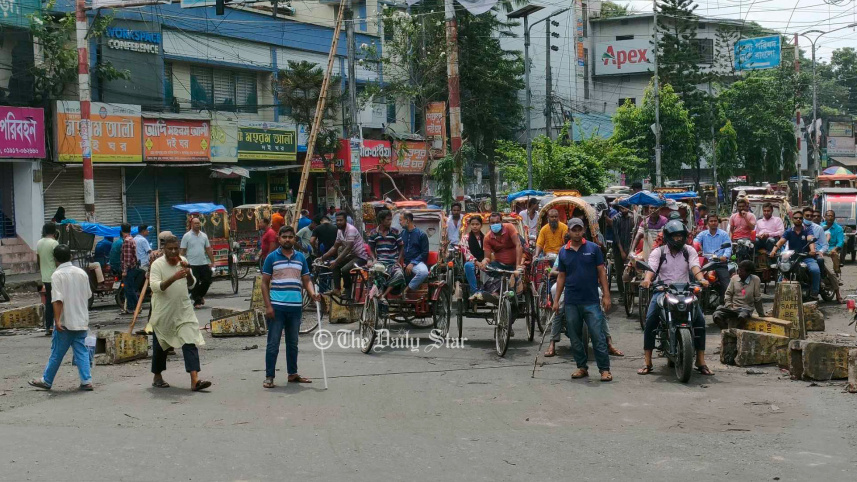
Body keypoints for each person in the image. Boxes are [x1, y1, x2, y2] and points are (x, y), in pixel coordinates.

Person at [638, 220, 713, 376]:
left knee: (699, 320)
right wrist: (647, 280)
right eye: (675, 236)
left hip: (685, 291)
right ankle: (647, 361)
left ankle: (700, 360)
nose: (678, 239)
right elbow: (651, 269)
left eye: (681, 236)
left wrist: (701, 279)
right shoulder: (658, 252)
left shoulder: (689, 251)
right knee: (651, 320)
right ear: (668, 236)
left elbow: (695, 266)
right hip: (662, 290)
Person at [552, 218, 612, 382]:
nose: (577, 232)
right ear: (569, 232)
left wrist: (606, 295)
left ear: (583, 230)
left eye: (579, 229)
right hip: (571, 300)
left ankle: (604, 370)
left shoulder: (593, 249)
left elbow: (601, 272)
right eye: (574, 230)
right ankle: (581, 367)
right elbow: (561, 277)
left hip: (591, 300)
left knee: (597, 336)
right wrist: (556, 300)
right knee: (574, 336)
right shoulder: (563, 251)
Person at [148, 234, 211, 391]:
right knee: (160, 346)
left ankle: (195, 380)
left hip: (183, 311)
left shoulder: (183, 261)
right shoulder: (157, 265)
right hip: (164, 313)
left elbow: (191, 285)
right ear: (164, 249)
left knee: (189, 341)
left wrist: (188, 273)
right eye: (170, 249)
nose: (174, 251)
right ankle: (157, 376)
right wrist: (174, 277)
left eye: (176, 248)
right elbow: (156, 287)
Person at [261, 226, 321, 388]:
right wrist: (268, 306)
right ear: (279, 239)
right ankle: (269, 376)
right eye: (284, 237)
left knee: (293, 343)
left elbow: (306, 280)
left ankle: (292, 373)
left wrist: (312, 293)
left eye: (290, 237)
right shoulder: (271, 258)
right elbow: (264, 283)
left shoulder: (300, 258)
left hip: (295, 307)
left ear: (295, 239)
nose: (287, 239)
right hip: (277, 307)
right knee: (273, 343)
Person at [28, 244, 93, 391]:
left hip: (65, 321)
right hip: (81, 319)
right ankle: (86, 380)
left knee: (57, 352)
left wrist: (56, 320)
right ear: (70, 256)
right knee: (81, 351)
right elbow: (88, 295)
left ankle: (47, 380)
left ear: (55, 259)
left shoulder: (57, 275)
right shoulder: (81, 273)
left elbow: (57, 300)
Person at [772, 210, 820, 300]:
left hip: (806, 257)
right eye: (796, 218)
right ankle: (778, 293)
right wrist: (774, 251)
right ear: (792, 219)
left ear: (802, 219)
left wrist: (812, 250)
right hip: (793, 258)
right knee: (783, 271)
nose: (798, 219)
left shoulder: (807, 230)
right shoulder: (789, 231)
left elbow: (810, 239)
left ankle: (814, 292)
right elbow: (781, 241)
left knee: (815, 270)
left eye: (800, 218)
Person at [321, 212, 370, 298]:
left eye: (341, 220)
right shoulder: (340, 231)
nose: (339, 222)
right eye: (337, 220)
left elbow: (348, 248)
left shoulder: (350, 230)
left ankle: (348, 292)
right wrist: (322, 258)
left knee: (344, 269)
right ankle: (337, 289)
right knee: (335, 266)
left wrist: (336, 261)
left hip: (360, 257)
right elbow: (335, 247)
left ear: (345, 220)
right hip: (352, 255)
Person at [475, 212, 523, 300]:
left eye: (497, 222)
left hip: (515, 264)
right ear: (489, 224)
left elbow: (518, 245)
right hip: (500, 265)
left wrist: (518, 265)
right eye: (492, 223)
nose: (495, 224)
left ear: (501, 222)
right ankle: (493, 293)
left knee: (519, 279)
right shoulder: (488, 237)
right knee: (485, 269)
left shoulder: (509, 227)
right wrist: (484, 262)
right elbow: (487, 257)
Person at [712, 260, 765, 329]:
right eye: (738, 270)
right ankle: (726, 331)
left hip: (746, 309)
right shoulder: (734, 279)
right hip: (732, 308)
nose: (739, 273)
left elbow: (757, 298)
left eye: (742, 271)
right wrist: (729, 304)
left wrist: (761, 314)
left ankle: (736, 332)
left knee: (742, 317)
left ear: (748, 272)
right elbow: (728, 294)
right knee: (716, 315)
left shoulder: (755, 280)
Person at [366, 209, 405, 300]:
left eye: (390, 219)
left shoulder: (395, 232)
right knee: (376, 275)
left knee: (399, 275)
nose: (390, 222)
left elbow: (401, 246)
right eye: (388, 220)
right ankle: (377, 294)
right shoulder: (373, 233)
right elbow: (370, 248)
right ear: (381, 220)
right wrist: (373, 258)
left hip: (392, 262)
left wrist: (398, 260)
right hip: (380, 262)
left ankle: (383, 295)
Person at [693, 214, 732, 300]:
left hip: (720, 263)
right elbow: (695, 242)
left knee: (726, 285)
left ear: (718, 222)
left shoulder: (724, 234)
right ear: (707, 223)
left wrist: (724, 256)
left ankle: (726, 303)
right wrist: (696, 247)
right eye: (711, 221)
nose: (713, 223)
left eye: (715, 221)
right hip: (706, 263)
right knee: (694, 280)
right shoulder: (703, 234)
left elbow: (728, 248)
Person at [180, 218, 215, 309]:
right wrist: (180, 261)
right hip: (192, 264)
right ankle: (197, 301)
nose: (197, 225)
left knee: (207, 280)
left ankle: (198, 296)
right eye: (195, 223)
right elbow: (183, 250)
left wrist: (212, 261)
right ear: (191, 224)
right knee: (194, 283)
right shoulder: (186, 236)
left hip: (203, 263)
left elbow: (208, 249)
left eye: (198, 223)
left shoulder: (204, 236)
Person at [399, 210, 430, 297]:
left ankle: (407, 289)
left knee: (423, 272)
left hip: (417, 263)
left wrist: (413, 263)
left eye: (401, 220)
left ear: (408, 220)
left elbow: (425, 254)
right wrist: (402, 262)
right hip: (403, 262)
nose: (400, 223)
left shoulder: (421, 234)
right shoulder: (402, 234)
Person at [36, 222, 59, 334]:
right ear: (54, 231)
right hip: (55, 276)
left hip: (45, 276)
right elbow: (58, 260)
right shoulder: (54, 243)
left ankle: (48, 326)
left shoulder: (39, 243)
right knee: (58, 300)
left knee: (49, 301)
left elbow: (38, 260)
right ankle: (57, 324)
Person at [611, 204, 635, 304]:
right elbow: (616, 236)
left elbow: (634, 234)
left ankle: (631, 291)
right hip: (618, 249)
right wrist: (621, 251)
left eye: (625, 207)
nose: (624, 209)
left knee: (631, 270)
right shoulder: (616, 218)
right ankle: (622, 293)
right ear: (620, 208)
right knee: (619, 272)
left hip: (630, 248)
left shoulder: (632, 218)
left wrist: (631, 250)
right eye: (622, 208)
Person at [120, 223, 140, 316]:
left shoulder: (127, 241)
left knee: (129, 289)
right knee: (130, 289)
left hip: (129, 269)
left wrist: (124, 270)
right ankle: (131, 308)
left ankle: (136, 307)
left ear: (122, 231)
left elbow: (127, 258)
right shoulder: (132, 239)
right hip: (132, 267)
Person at [463, 216, 485, 297]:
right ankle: (474, 291)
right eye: (472, 224)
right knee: (468, 265)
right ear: (470, 225)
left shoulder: (485, 237)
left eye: (477, 224)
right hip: (472, 263)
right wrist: (477, 262)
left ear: (481, 225)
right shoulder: (465, 238)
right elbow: (467, 253)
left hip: (484, 262)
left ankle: (486, 290)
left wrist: (483, 262)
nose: (475, 226)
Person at [823, 209, 845, 279]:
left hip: (832, 249)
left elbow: (840, 241)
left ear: (834, 218)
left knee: (835, 255)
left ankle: (836, 272)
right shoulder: (820, 226)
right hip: (821, 249)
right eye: (828, 216)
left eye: (832, 216)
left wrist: (835, 249)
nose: (830, 217)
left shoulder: (838, 228)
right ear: (825, 217)